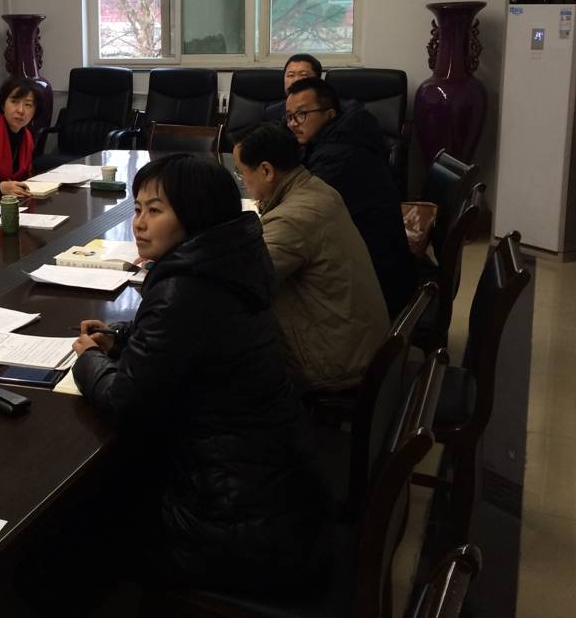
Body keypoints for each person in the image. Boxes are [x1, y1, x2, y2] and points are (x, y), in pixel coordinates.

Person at [70, 153, 329, 592]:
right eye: (137, 209)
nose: (139, 224)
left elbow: (123, 402)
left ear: (196, 215)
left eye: (155, 211)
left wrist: (87, 359)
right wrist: (123, 339)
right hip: (280, 493)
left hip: (229, 525)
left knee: (79, 528)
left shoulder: (184, 289)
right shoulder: (231, 262)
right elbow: (194, 341)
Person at [232, 123, 390, 391]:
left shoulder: (293, 218)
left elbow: (241, 282)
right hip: (356, 343)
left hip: (335, 365)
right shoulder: (316, 188)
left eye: (240, 172)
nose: (242, 182)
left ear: (266, 170)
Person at [284, 77, 415, 317]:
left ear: (329, 114)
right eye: (290, 116)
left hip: (375, 283)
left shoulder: (339, 155)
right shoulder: (341, 136)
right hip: (375, 264)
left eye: (301, 115)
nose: (293, 124)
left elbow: (300, 209)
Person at [263, 53, 323, 122]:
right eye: (291, 75)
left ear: (318, 81)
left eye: (303, 75)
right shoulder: (271, 114)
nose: (296, 80)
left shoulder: (325, 111)